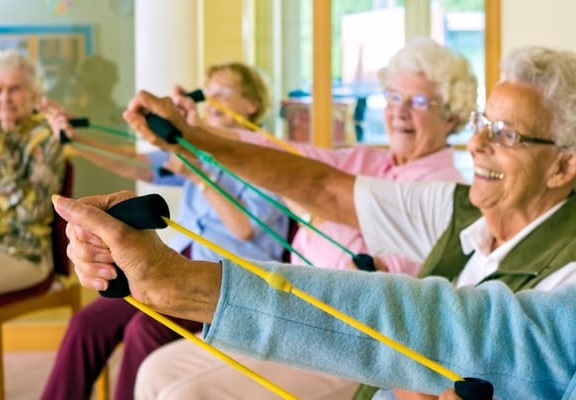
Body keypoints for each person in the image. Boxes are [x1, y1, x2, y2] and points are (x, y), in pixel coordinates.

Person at [79, 41, 576, 399]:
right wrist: (194, 138)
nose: (480, 144)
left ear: (565, 165)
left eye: (507, 135)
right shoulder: (462, 209)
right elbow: (320, 183)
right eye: (486, 123)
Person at [135, 38, 479, 399]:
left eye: (419, 102)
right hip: (289, 315)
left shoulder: (444, 190)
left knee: (187, 395)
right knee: (156, 371)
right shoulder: (369, 162)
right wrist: (195, 132)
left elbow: (385, 284)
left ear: (451, 115)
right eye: (394, 97)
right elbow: (288, 158)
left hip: (352, 341)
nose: (400, 111)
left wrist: (199, 136)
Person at [38, 62, 290, 400]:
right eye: (209, 91)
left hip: (230, 275)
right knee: (88, 324)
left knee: (143, 330)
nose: (211, 99)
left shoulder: (270, 157)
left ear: (252, 104)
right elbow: (135, 164)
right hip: (181, 257)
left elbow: (243, 229)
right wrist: (76, 139)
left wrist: (199, 173)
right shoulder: (200, 146)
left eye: (222, 92)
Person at [0, 49, 65, 307]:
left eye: (15, 89)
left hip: (23, 253)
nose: (5, 98)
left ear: (33, 93)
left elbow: (32, 211)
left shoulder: (45, 141)